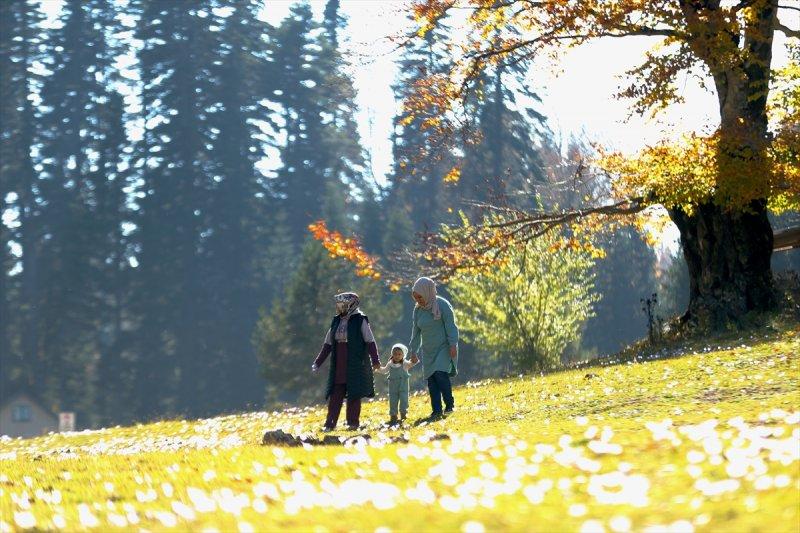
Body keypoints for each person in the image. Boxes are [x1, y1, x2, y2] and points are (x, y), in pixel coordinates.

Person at [312, 292, 380, 430]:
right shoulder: (336, 321)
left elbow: (370, 341)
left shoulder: (360, 320)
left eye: (341, 305)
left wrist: (375, 360)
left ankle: (353, 424)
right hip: (339, 363)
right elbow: (328, 344)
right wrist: (318, 362)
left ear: (351, 305)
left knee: (354, 395)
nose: (339, 308)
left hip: (355, 363)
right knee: (335, 395)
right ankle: (330, 424)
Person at [408, 277, 459, 420]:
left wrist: (453, 344)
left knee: (440, 375)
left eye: (420, 296)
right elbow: (416, 332)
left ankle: (449, 404)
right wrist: (414, 351)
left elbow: (451, 326)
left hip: (444, 347)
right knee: (432, 381)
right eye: (415, 297)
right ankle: (436, 410)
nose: (418, 300)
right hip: (428, 350)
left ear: (427, 292)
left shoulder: (442, 305)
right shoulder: (418, 310)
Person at [375, 343, 418, 425]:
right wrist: (378, 368)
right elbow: (384, 370)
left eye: (399, 354)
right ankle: (393, 416)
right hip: (393, 387)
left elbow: (411, 363)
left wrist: (414, 361)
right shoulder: (390, 363)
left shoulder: (405, 364)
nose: (397, 356)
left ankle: (403, 415)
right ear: (392, 354)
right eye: (395, 354)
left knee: (404, 401)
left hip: (403, 387)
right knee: (393, 401)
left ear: (403, 355)